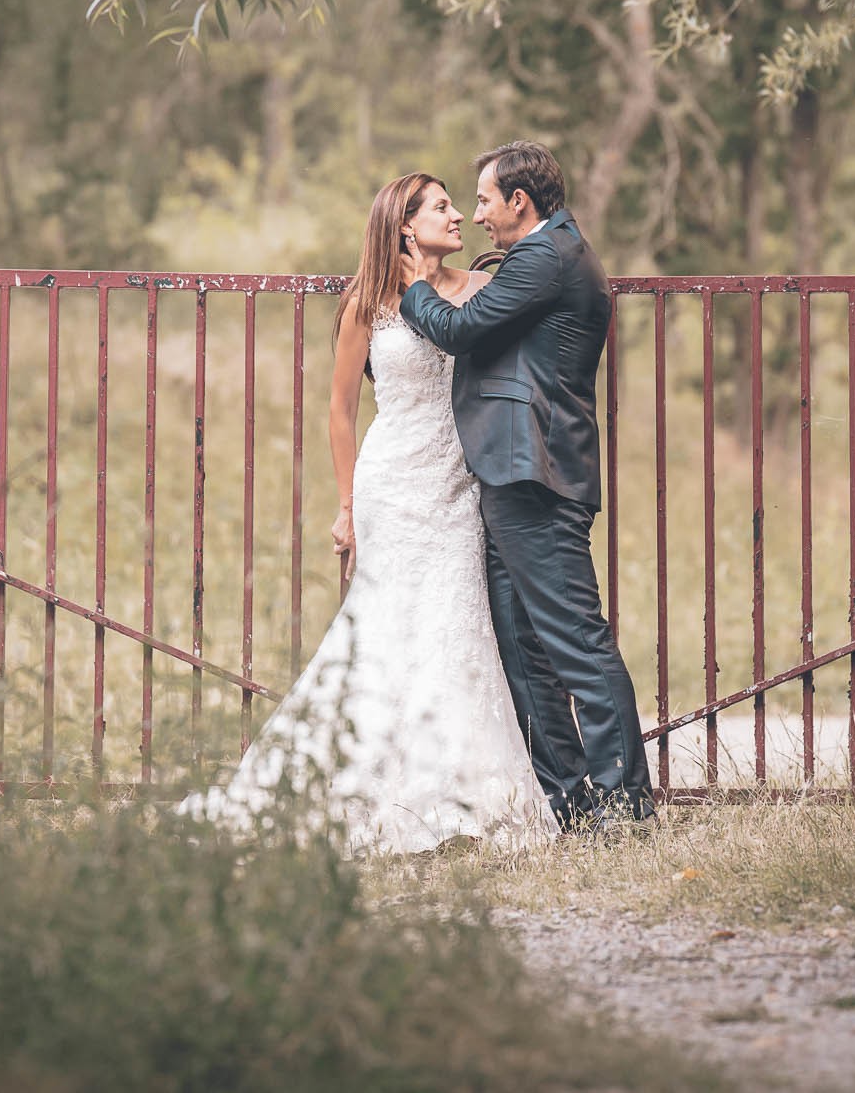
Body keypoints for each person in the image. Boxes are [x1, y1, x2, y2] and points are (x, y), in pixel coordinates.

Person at [178, 172, 557, 854]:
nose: (458, 216)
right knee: (381, 631)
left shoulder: (479, 289)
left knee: (455, 630)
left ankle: (462, 797)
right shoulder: (367, 303)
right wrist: (348, 505)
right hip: (392, 484)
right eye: (442, 206)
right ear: (406, 225)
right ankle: (355, 785)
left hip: (458, 486)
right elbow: (340, 409)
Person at [399, 141, 656, 833]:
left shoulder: (547, 255)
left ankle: (626, 805)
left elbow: (458, 330)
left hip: (536, 475)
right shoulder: (546, 254)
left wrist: (416, 285)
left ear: (520, 200)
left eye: (485, 200)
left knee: (575, 642)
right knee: (524, 648)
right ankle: (570, 801)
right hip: (512, 473)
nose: (478, 213)